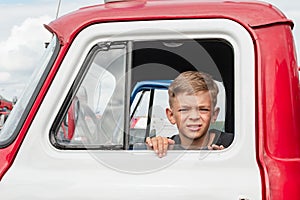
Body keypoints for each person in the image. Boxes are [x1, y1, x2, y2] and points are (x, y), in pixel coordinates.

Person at [146, 71, 233, 157]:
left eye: (203, 109)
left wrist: (228, 163)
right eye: (184, 110)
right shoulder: (167, 147)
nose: (194, 117)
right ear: (171, 115)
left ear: (214, 115)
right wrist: (155, 148)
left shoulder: (233, 144)